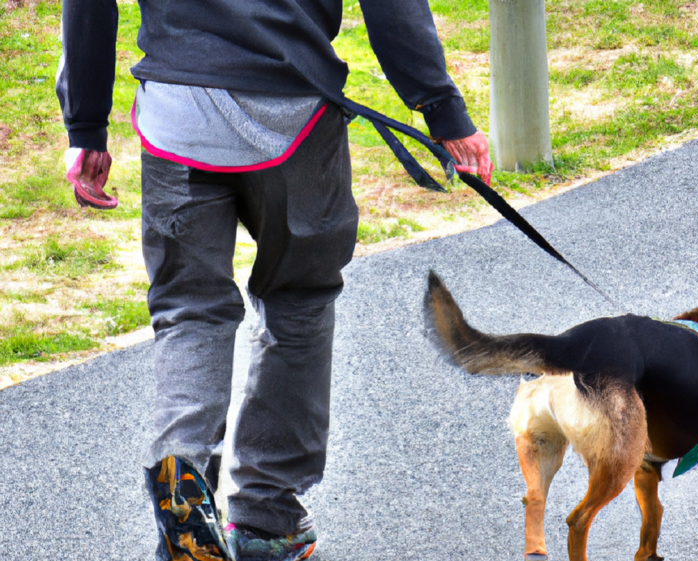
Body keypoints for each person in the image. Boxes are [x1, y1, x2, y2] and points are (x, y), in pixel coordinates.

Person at [57, 1, 492, 560]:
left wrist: (86, 125)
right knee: (299, 300)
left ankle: (181, 471)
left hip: (177, 111)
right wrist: (441, 109)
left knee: (190, 310)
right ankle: (268, 517)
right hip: (295, 113)